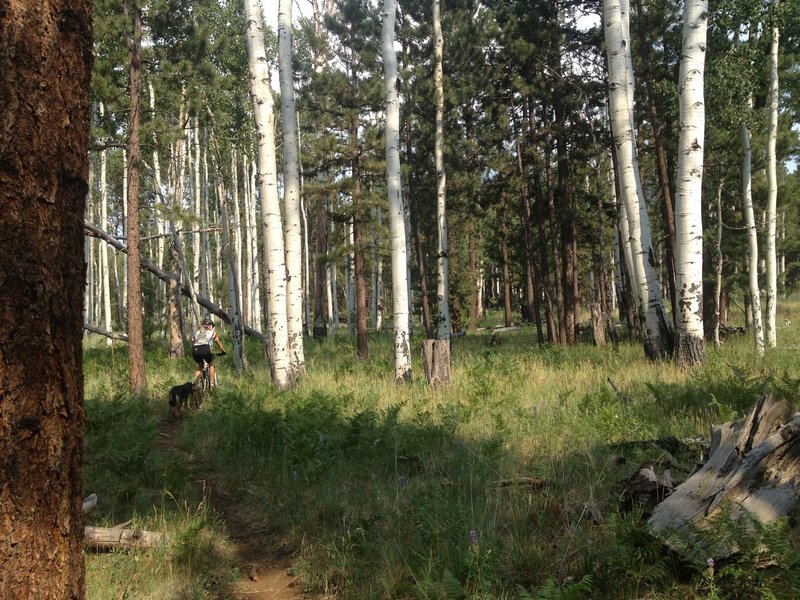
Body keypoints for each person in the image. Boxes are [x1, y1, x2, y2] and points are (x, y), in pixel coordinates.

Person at [191, 318, 225, 387]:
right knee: (211, 365)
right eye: (212, 326)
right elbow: (219, 345)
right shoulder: (212, 333)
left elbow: (193, 342)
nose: (212, 327)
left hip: (195, 350)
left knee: (200, 366)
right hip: (205, 349)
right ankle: (212, 384)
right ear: (210, 326)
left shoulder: (197, 332)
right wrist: (223, 351)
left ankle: (195, 386)